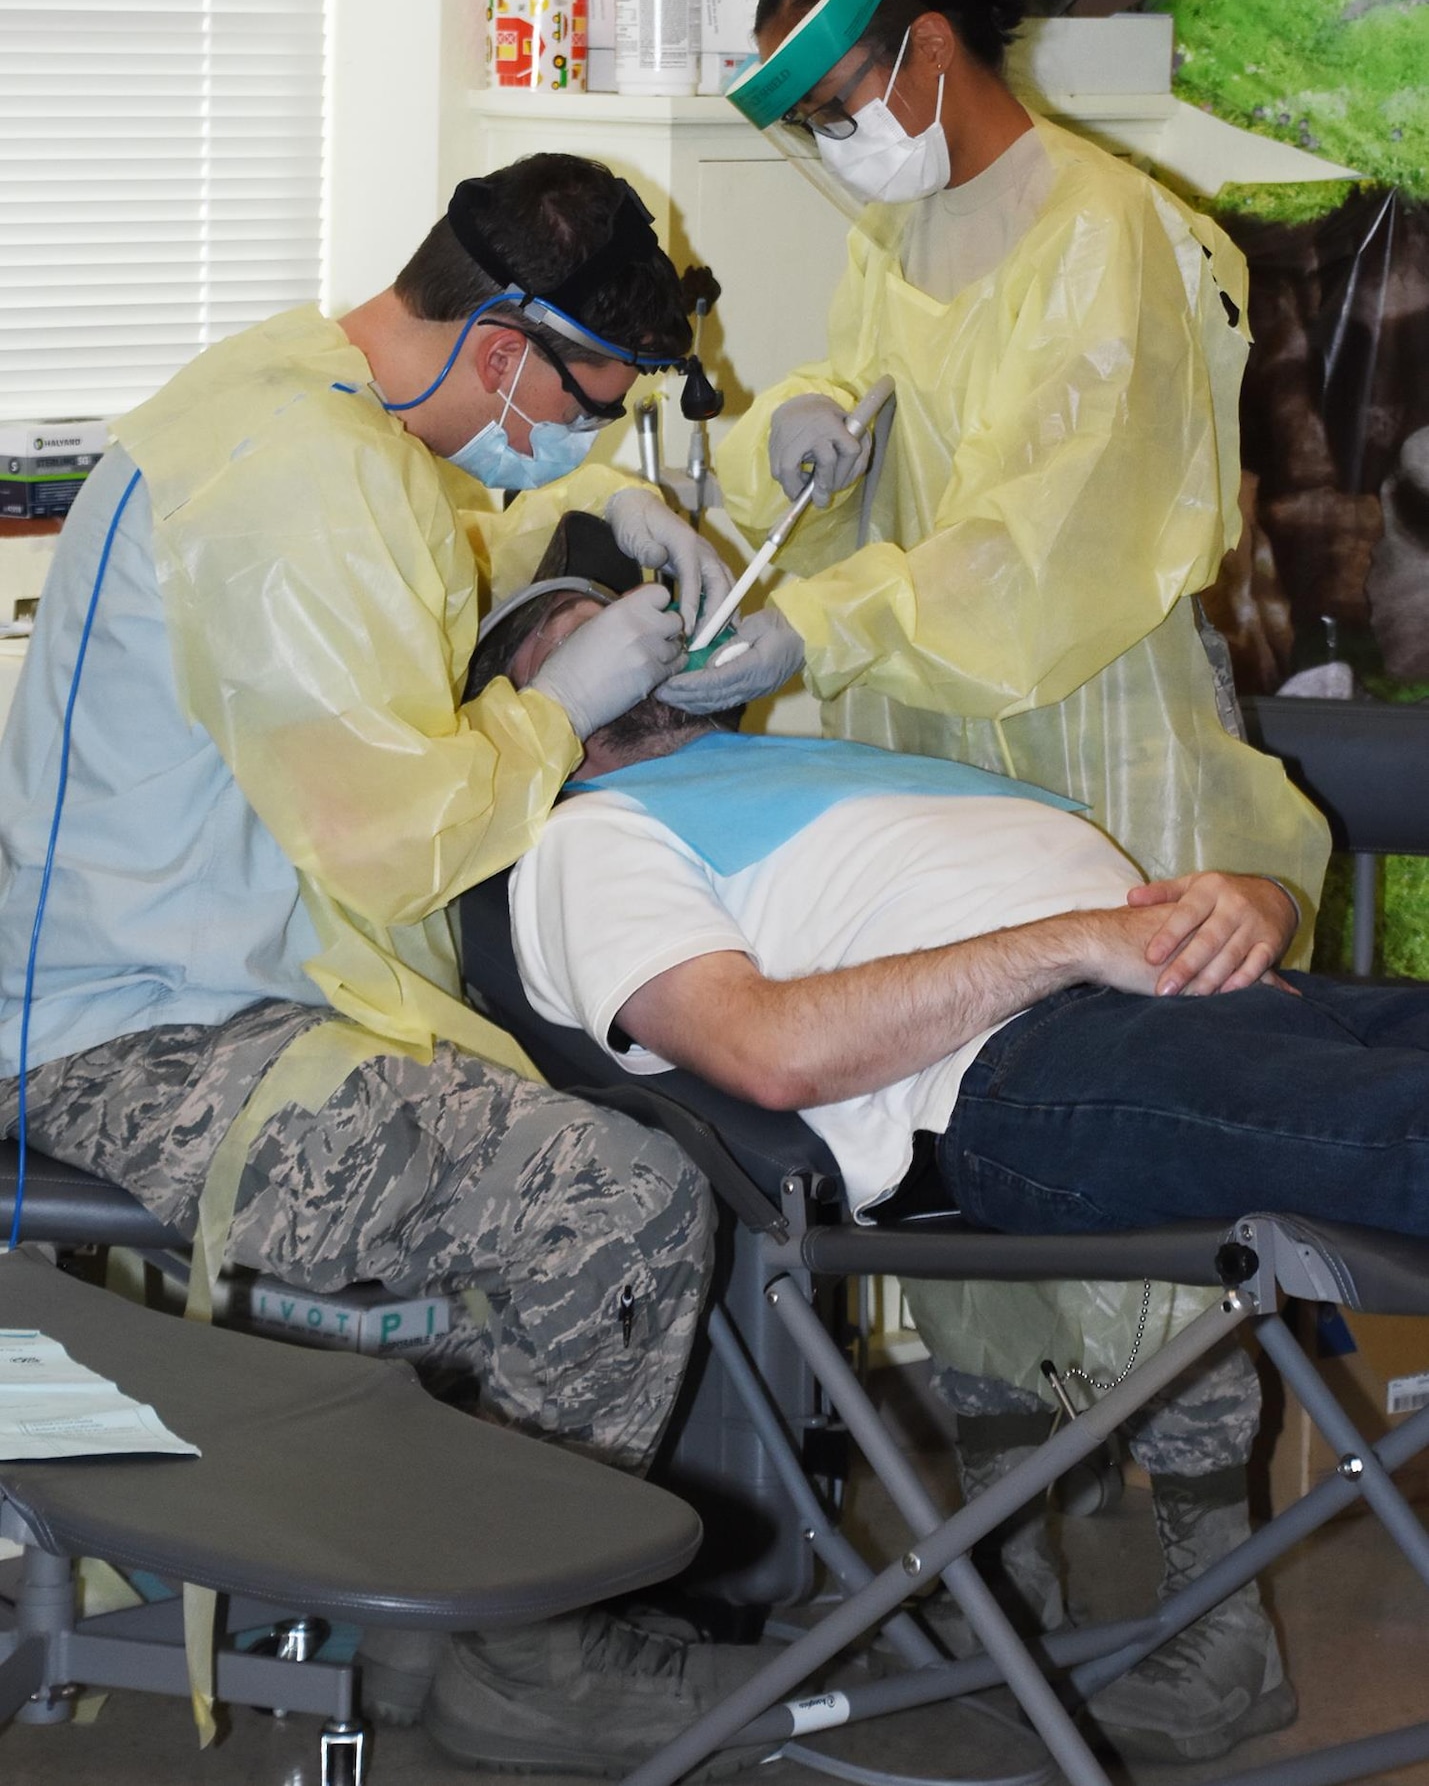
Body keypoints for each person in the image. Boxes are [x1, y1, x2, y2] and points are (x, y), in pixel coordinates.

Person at [0, 156, 797, 1771]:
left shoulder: (297, 389)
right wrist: (557, 710)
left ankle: (447, 1578)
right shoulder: (299, 478)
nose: (586, 430)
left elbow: (381, 584)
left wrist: (557, 527)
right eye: (589, 406)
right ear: (504, 351)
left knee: (598, 1113)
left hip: (193, 969)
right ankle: (523, 1657)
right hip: (141, 1043)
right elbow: (390, 838)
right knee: (620, 1197)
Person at [689, 0, 1335, 1758]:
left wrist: (838, 615)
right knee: (947, 1143)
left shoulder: (1112, 237)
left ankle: (1222, 1617)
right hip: (921, 765)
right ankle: (1023, 1574)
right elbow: (876, 477)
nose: (836, 144)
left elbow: (1055, 554)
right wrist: (789, 450)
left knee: (1142, 1164)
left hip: (1091, 748)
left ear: (922, 49)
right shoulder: (901, 242)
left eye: (838, 95)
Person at [470, 540, 1424, 1766]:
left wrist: (1257, 900)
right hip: (1024, 1074)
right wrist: (1074, 943)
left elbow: (1143, 910)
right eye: (579, 641)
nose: (636, 645)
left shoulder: (841, 766)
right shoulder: (582, 839)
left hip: (1240, 999)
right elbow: (770, 1052)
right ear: (529, 713)